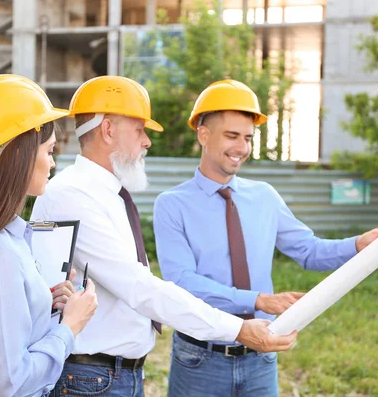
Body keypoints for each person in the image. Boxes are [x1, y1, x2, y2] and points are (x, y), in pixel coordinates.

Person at [30, 75, 298, 397]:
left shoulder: (108, 196)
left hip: (113, 376)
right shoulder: (71, 194)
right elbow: (139, 286)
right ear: (108, 129)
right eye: (140, 130)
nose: (147, 142)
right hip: (91, 378)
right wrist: (239, 328)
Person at [153, 79, 378, 397]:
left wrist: (357, 244)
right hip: (199, 360)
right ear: (203, 134)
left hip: (261, 360)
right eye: (232, 136)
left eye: (248, 138)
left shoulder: (264, 196)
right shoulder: (172, 204)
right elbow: (182, 282)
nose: (242, 148)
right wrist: (258, 300)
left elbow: (308, 250)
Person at [0, 74, 98, 397]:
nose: (53, 163)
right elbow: (11, 382)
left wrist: (42, 304)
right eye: (50, 150)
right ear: (19, 154)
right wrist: (70, 327)